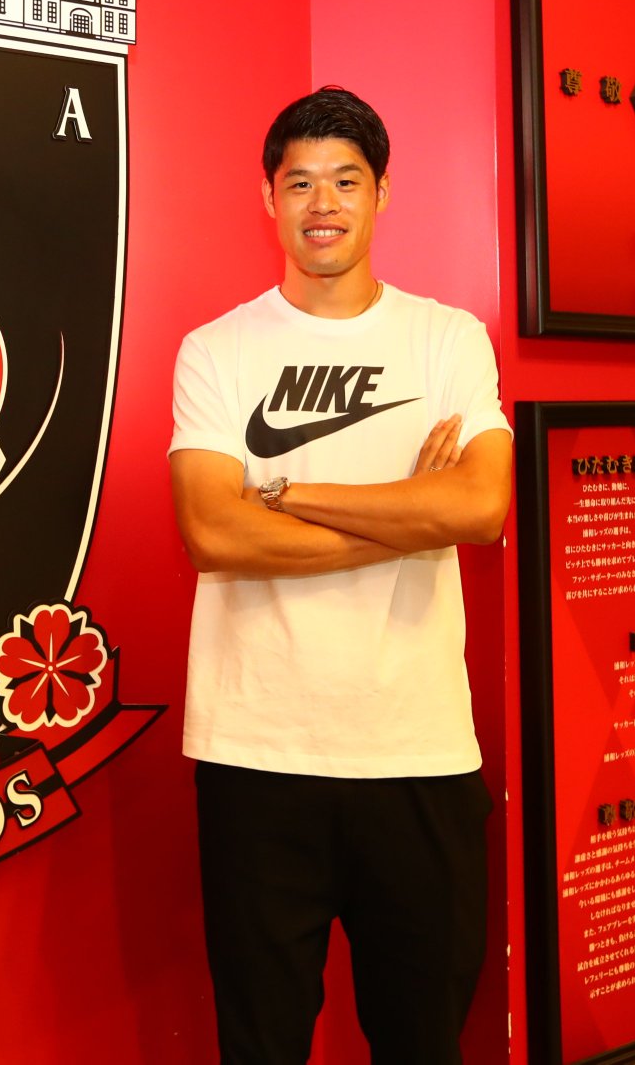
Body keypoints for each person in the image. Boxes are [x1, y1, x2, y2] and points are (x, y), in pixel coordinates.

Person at [168, 86, 512, 1064]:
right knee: (261, 1045)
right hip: (256, 752)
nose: (322, 204)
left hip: (417, 752)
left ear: (382, 193)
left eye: (346, 181)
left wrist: (281, 490)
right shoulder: (217, 350)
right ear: (269, 199)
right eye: (300, 183)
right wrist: (407, 514)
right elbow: (211, 530)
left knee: (422, 1044)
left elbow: (479, 508)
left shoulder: (446, 339)